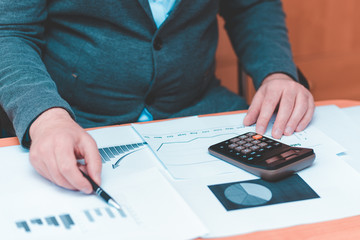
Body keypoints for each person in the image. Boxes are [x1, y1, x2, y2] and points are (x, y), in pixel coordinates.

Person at [0, 0, 314, 193]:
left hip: (199, 108)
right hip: (75, 121)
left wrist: (276, 73)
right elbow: (9, 33)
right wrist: (47, 118)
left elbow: (252, 5)